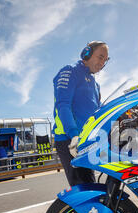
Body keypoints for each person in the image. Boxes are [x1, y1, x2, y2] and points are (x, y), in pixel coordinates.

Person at [52, 40, 109, 187]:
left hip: (87, 140)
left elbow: (97, 112)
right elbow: (63, 105)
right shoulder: (70, 71)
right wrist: (74, 135)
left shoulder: (95, 84)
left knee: (91, 187)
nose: (102, 63)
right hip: (69, 140)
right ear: (87, 53)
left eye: (105, 60)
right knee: (83, 190)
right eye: (100, 57)